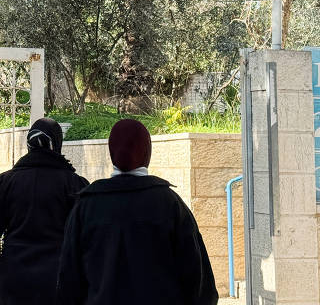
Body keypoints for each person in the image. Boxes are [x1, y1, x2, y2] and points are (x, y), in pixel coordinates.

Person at [56, 119, 218, 305]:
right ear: (147, 151)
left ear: (111, 151)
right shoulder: (169, 204)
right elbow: (197, 280)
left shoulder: (86, 207)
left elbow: (69, 280)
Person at [0, 118, 89, 304]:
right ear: (57, 143)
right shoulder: (75, 184)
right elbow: (87, 237)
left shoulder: (7, 182)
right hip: (58, 280)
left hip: (15, 280)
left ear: (29, 144)